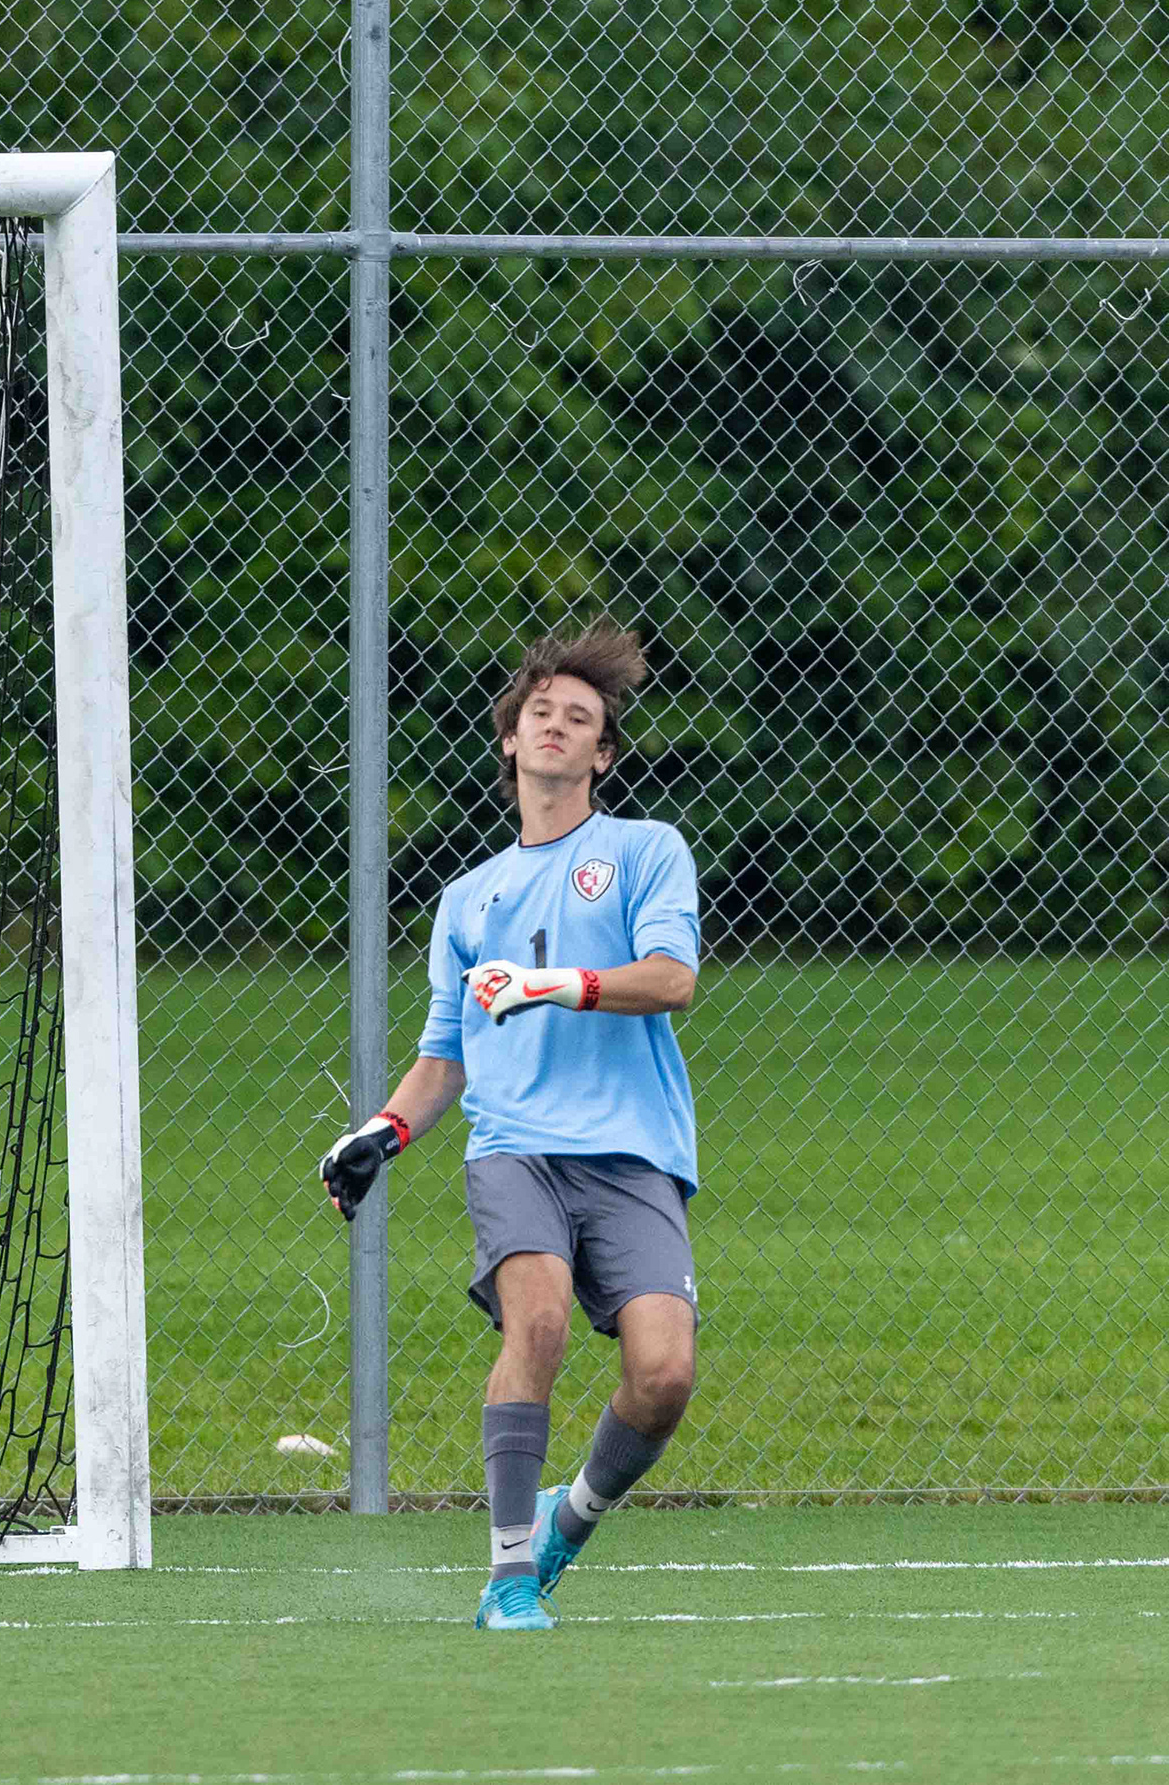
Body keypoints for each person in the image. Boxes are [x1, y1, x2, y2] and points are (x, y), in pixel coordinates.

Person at [318, 623, 704, 1631]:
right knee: (537, 1321)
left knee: (663, 1374)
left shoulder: (644, 850)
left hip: (632, 1152)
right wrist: (382, 1131)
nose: (557, 726)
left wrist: (558, 983)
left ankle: (567, 1520)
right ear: (510, 738)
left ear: (603, 754)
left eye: (580, 718)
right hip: (515, 1147)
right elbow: (446, 1056)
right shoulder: (467, 898)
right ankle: (507, 1576)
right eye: (541, 711)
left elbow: (672, 978)